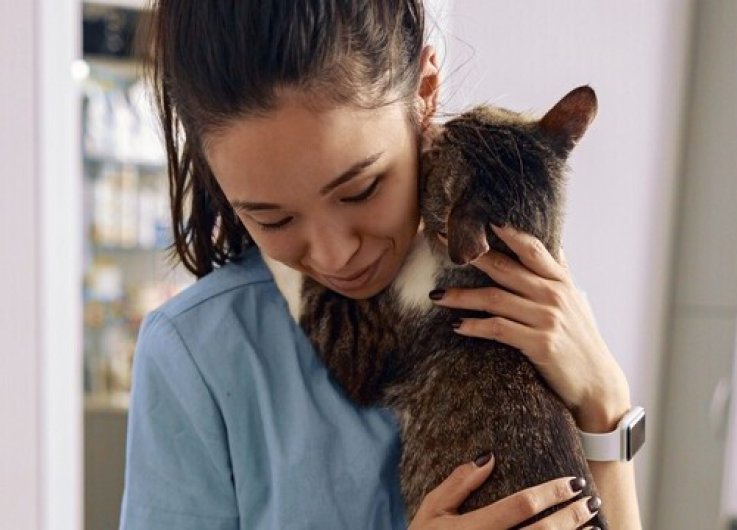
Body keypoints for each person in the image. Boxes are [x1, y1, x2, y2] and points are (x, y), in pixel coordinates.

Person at [119, 1, 642, 528]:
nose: (334, 255)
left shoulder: (533, 304)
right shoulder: (197, 351)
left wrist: (606, 408)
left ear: (425, 91)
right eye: (272, 219)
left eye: (361, 190)